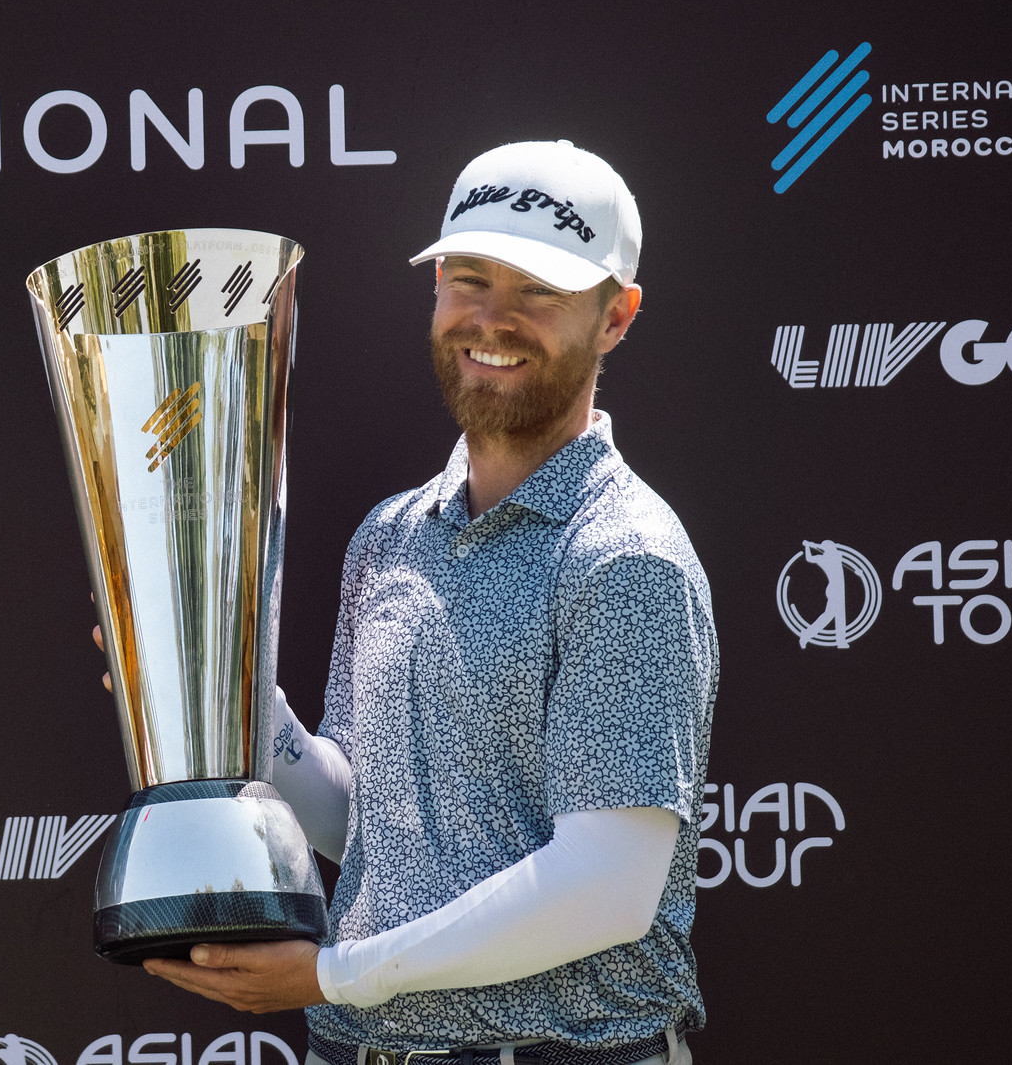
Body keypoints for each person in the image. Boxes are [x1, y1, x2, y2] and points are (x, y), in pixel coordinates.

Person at [106, 141, 718, 1065]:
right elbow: (371, 826)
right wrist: (223, 693)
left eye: (539, 292)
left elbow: (605, 888)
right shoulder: (391, 536)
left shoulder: (626, 556)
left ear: (616, 317)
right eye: (468, 278)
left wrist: (331, 974)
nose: (495, 320)